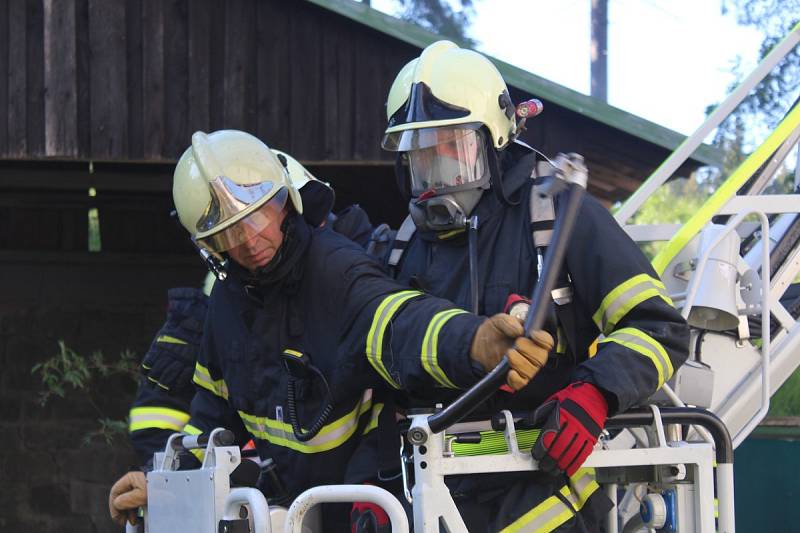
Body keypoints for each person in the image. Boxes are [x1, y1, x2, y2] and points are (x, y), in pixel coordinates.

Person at [108, 129, 554, 529]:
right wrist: (160, 483)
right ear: (209, 249)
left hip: (360, 505)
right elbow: (211, 421)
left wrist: (475, 341)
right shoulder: (226, 306)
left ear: (286, 202)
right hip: (287, 510)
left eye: (258, 217)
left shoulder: (336, 270)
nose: (250, 241)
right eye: (228, 235)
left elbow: (402, 324)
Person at [361, 40, 691, 531]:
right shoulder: (398, 246)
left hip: (544, 499)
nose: (438, 168)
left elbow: (658, 327)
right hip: (428, 499)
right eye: (421, 152)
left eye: (454, 145)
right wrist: (372, 479)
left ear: (495, 139)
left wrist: (596, 392)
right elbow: (376, 386)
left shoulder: (557, 215)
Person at [126, 152, 377, 465]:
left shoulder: (348, 276)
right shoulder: (226, 304)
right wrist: (164, 477)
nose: (259, 240)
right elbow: (201, 420)